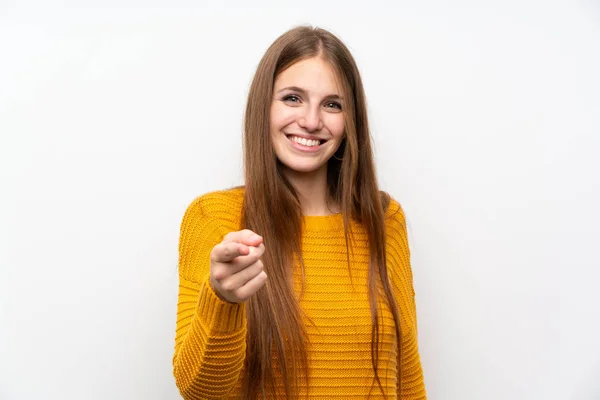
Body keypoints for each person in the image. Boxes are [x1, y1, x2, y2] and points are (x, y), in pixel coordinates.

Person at [172, 25, 427, 399]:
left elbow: (407, 377)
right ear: (264, 106)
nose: (311, 121)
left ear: (350, 121)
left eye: (332, 104)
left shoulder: (385, 220)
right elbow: (198, 391)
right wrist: (222, 300)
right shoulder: (215, 218)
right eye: (292, 98)